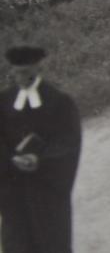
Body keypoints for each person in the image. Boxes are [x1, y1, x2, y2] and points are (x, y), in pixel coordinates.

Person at [0, 46, 82, 253]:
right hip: (14, 188)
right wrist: (9, 159)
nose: (21, 77)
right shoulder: (3, 101)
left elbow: (69, 142)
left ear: (38, 68)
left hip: (46, 188)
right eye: (16, 72)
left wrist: (41, 160)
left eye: (26, 72)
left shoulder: (59, 102)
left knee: (51, 239)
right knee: (17, 240)